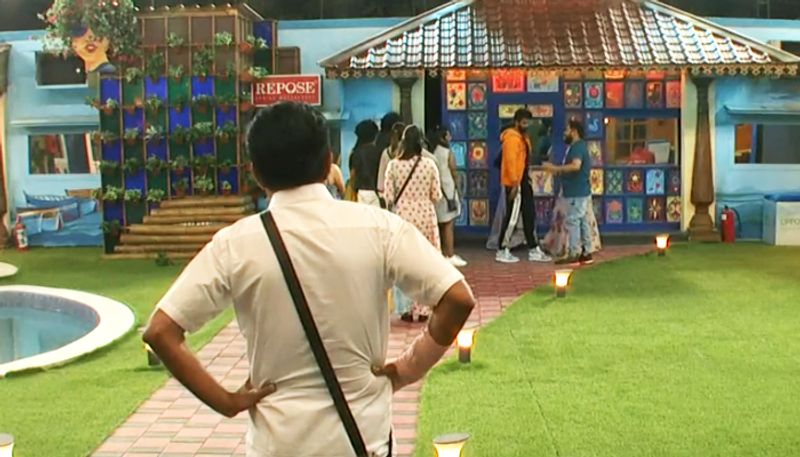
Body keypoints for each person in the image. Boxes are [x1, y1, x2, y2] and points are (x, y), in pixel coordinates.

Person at [143, 102, 475, 457]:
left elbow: (161, 332)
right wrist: (407, 369)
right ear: (328, 161)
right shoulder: (379, 227)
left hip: (277, 444)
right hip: (362, 440)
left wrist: (226, 402)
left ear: (255, 172)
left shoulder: (235, 244)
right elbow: (457, 298)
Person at [383, 125, 443, 323]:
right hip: (425, 216)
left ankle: (407, 308)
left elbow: (388, 196)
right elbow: (436, 195)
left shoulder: (393, 165)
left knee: (405, 263)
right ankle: (424, 308)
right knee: (425, 262)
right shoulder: (429, 165)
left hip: (403, 217)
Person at [496, 109, 552, 264]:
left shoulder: (522, 138)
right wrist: (515, 184)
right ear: (517, 122)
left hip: (523, 180)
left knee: (529, 215)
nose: (526, 125)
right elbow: (510, 162)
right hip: (516, 182)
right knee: (512, 216)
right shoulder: (512, 139)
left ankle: (533, 248)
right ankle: (502, 248)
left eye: (528, 123)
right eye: (524, 122)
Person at [543, 119, 594, 265]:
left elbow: (576, 166)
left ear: (574, 131)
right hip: (581, 191)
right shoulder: (580, 146)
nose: (564, 133)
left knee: (573, 221)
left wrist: (555, 169)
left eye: (567, 130)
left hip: (576, 192)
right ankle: (586, 252)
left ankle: (574, 252)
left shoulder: (577, 147)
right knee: (582, 221)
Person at [427, 126, 467, 268]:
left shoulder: (431, 153)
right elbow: (454, 172)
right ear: (443, 137)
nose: (450, 137)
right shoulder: (447, 152)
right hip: (448, 191)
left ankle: (439, 252)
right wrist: (459, 190)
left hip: (436, 191)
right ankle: (450, 254)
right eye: (448, 135)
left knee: (438, 224)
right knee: (449, 224)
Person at [349, 120, 382, 207]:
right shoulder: (379, 152)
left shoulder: (355, 152)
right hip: (376, 193)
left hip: (360, 193)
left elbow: (353, 175)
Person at [377, 122, 406, 195]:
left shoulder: (385, 152)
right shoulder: (407, 152)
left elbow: (381, 174)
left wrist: (381, 192)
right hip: (403, 191)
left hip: (388, 191)